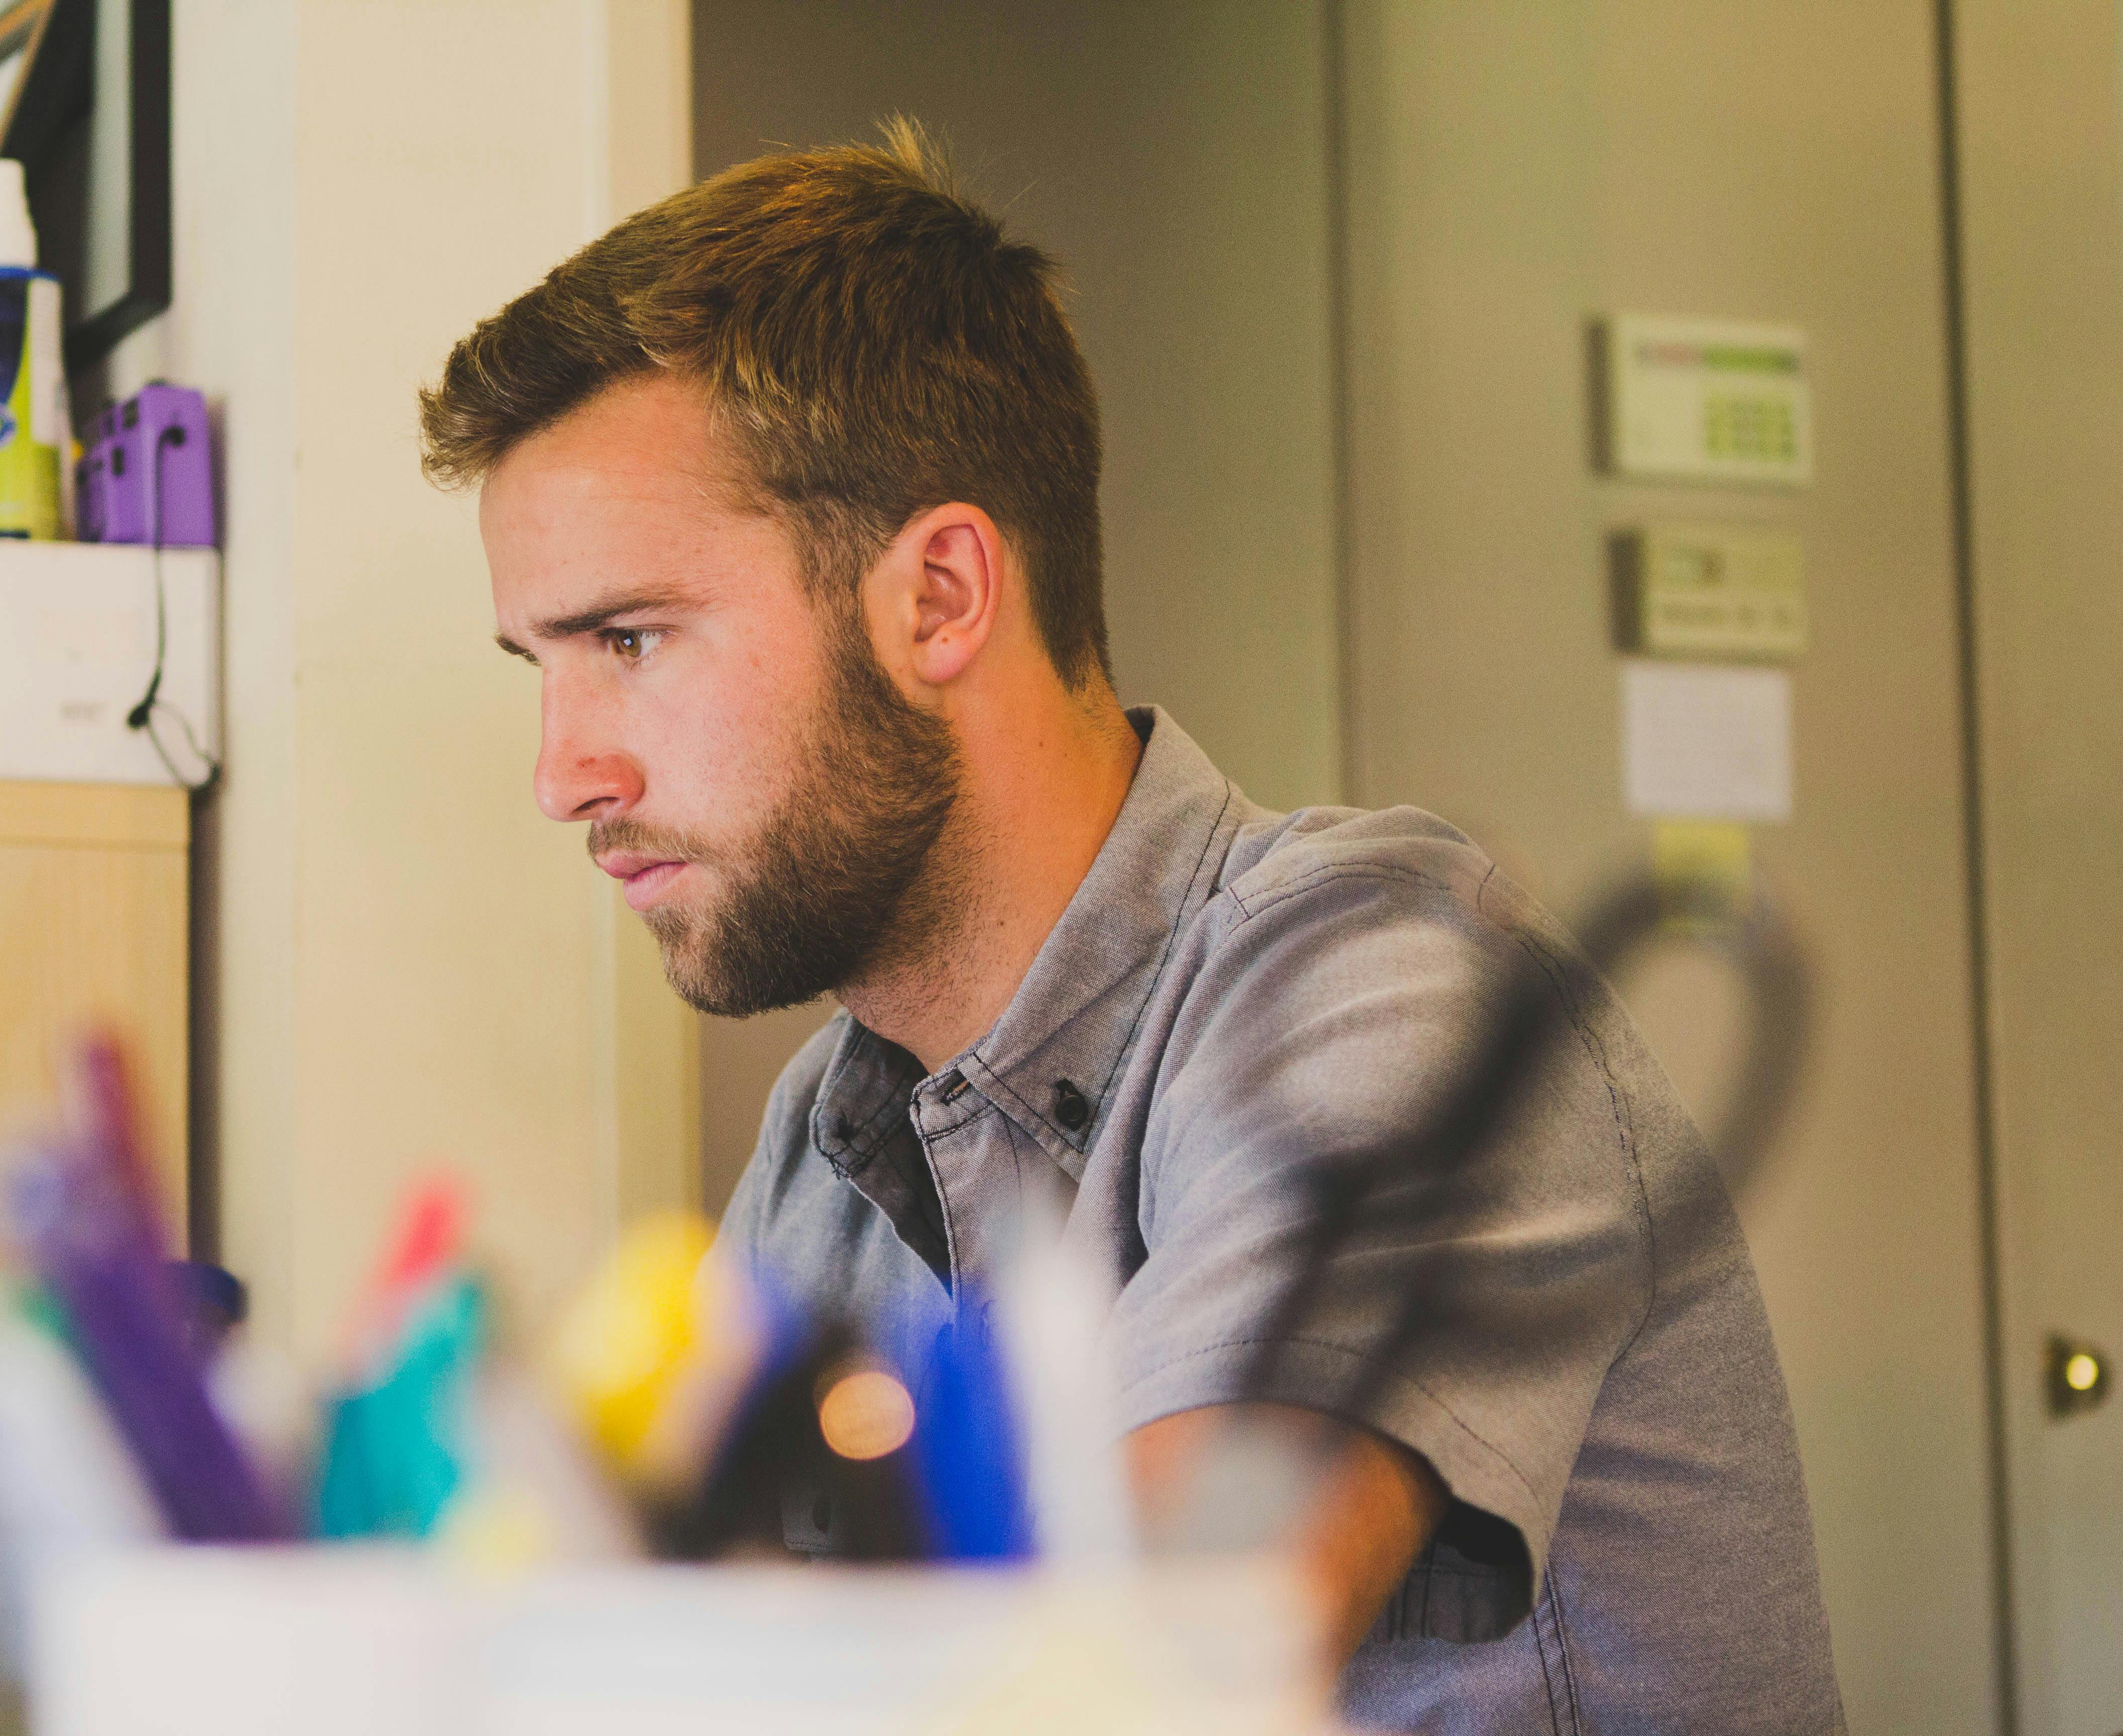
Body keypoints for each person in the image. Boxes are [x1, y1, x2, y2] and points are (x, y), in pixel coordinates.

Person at [422, 125, 1842, 1732]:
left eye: (629, 638)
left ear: (942, 597)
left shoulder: (1389, 982)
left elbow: (1153, 1674)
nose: (564, 774)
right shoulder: (826, 1149)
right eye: (538, 666)